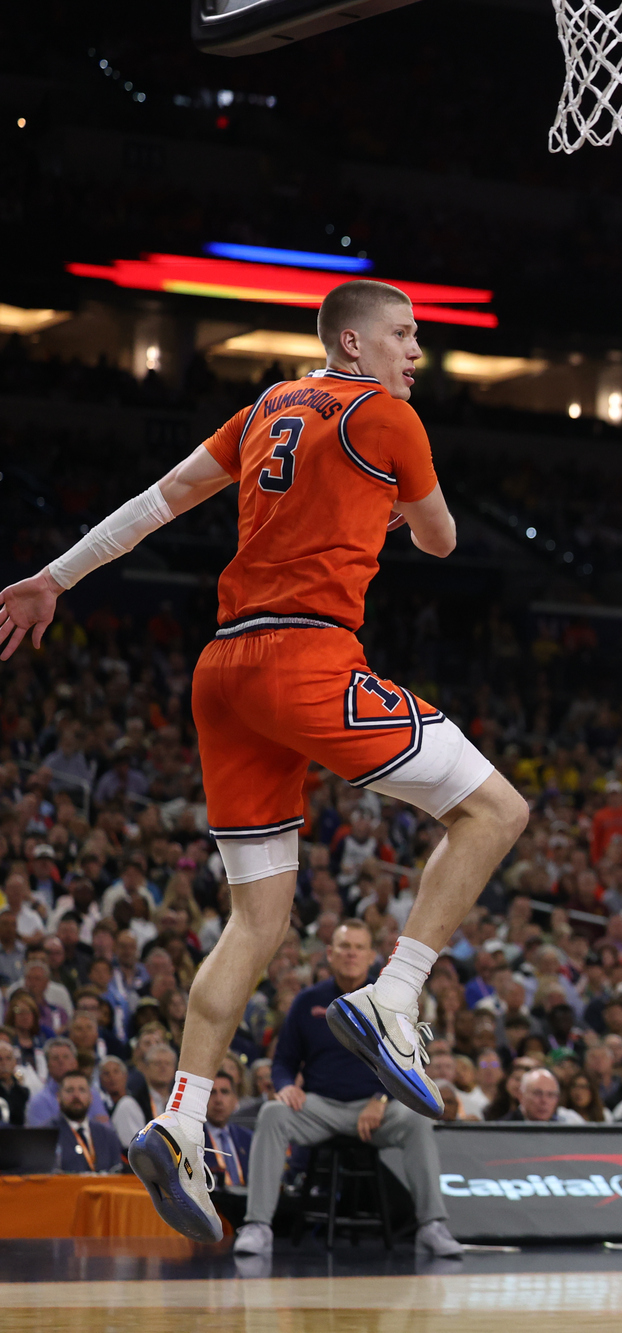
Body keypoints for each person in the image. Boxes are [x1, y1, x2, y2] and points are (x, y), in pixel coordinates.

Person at [0, 278, 531, 1243]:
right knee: (497, 812)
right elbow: (447, 540)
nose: (419, 353)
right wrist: (396, 513)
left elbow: (155, 505)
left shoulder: (263, 410)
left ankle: (183, 1115)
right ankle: (395, 995)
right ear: (356, 344)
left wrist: (53, 577)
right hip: (306, 657)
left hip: (223, 670)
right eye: (406, 336)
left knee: (257, 919)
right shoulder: (386, 414)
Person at [236, 920, 463, 1258]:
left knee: (417, 1121)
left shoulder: (391, 1003)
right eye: (344, 946)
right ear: (329, 954)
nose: (351, 953)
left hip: (377, 1110)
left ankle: (432, 1226)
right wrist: (284, 1087)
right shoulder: (306, 1002)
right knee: (272, 1113)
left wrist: (382, 1098)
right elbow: (283, 1061)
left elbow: (410, 1065)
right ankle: (257, 1226)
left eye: (359, 947)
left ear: (372, 955)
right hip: (320, 1108)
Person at [201, 1060, 253, 1227]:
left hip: (246, 1210)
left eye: (224, 1092)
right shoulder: (192, 1138)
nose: (218, 1099)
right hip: (211, 1213)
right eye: (212, 1093)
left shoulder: (248, 1138)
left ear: (234, 1099)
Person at [51, 1071, 122, 1174]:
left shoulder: (108, 1135)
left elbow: (118, 1172)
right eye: (69, 1090)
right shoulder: (47, 1135)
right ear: (58, 1097)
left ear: (91, 1097)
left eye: (82, 1090)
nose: (76, 1095)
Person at [505, 1068, 584, 1124]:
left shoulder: (567, 1125)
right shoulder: (503, 1129)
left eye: (551, 1095)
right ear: (521, 1096)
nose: (544, 1100)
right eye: (537, 1093)